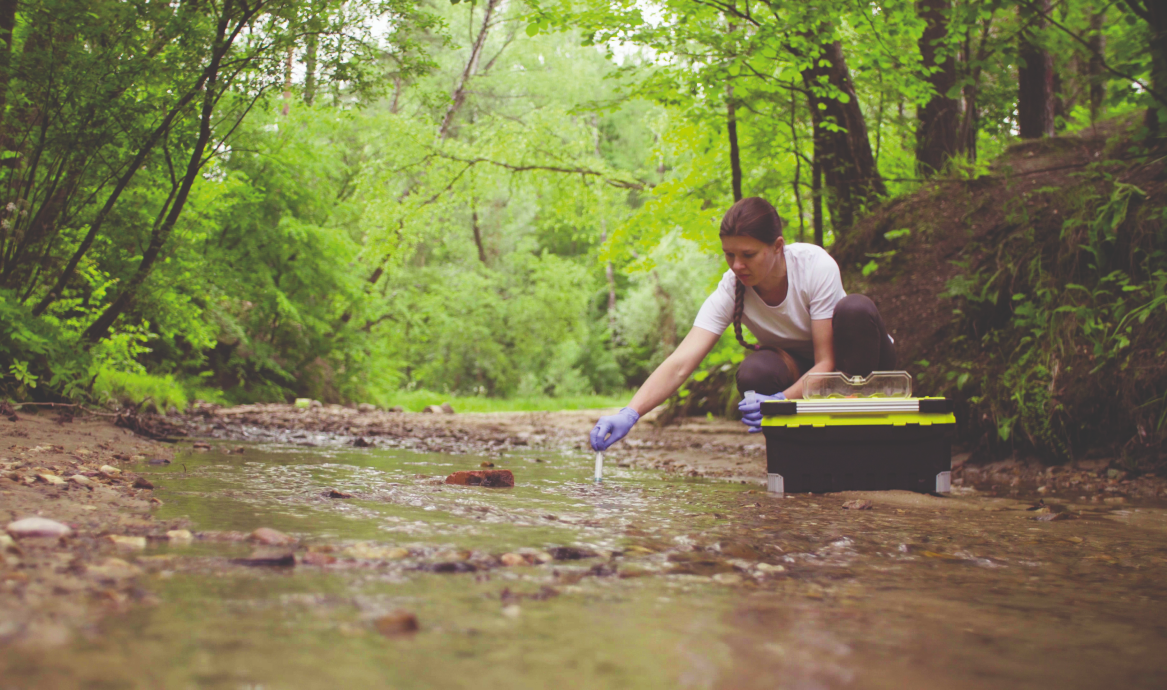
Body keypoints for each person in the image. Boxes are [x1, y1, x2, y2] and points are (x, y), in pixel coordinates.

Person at [590, 196, 896, 451]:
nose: (737, 265)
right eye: (729, 255)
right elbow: (681, 363)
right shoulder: (731, 287)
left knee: (855, 309)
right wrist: (630, 413)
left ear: (777, 246)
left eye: (748, 254)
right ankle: (800, 455)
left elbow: (827, 363)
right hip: (802, 370)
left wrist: (779, 402)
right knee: (755, 371)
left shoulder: (814, 265)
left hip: (857, 363)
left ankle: (864, 443)